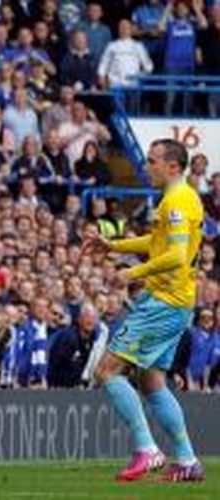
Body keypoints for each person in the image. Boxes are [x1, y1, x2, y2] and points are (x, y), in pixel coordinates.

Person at [83, 138, 206, 482]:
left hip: (163, 302)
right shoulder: (180, 198)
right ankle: (186, 461)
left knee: (107, 371)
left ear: (172, 166)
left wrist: (131, 272)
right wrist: (114, 245)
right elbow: (158, 244)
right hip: (177, 301)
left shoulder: (177, 201)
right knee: (151, 382)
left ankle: (147, 449)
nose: (146, 166)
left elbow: (176, 256)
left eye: (152, 161)